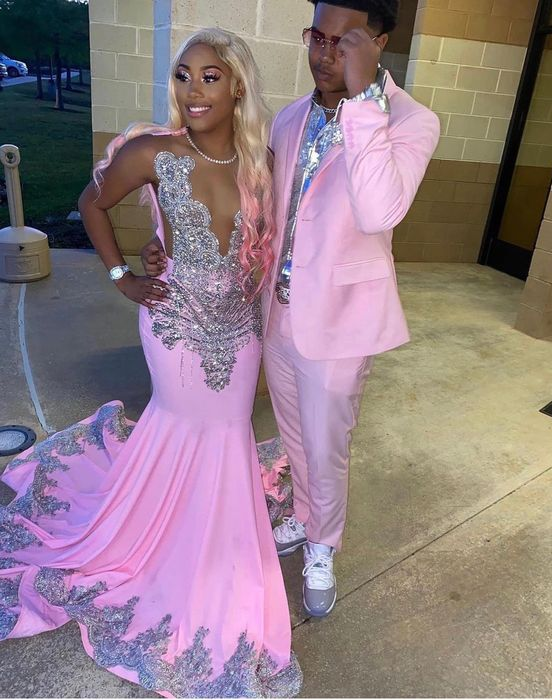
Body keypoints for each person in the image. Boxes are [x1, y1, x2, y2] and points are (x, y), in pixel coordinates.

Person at [0, 28, 301, 698]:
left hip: (239, 331)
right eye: (183, 75)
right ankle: (157, 540)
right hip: (173, 325)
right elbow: (91, 202)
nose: (193, 91)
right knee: (182, 423)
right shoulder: (154, 153)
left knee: (227, 433)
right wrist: (124, 275)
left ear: (238, 86)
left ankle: (208, 536)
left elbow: (274, 246)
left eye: (210, 77)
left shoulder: (265, 161)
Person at [143, 0, 440, 619]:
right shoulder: (290, 117)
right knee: (295, 437)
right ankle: (306, 517)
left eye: (344, 42)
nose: (325, 55)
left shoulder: (412, 121)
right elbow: (255, 209)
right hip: (274, 314)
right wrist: (168, 241)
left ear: (378, 41)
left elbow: (379, 210)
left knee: (327, 446)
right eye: (317, 37)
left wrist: (363, 98)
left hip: (342, 322)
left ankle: (324, 544)